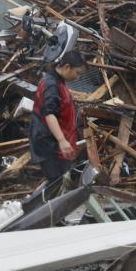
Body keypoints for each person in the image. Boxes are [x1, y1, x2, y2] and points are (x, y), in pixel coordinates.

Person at [30, 50, 86, 182]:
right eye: (77, 72)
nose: (78, 77)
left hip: (55, 144)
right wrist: (62, 140)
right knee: (59, 183)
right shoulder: (51, 85)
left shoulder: (57, 82)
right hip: (50, 146)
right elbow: (49, 114)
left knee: (62, 182)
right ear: (67, 67)